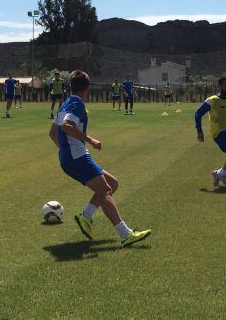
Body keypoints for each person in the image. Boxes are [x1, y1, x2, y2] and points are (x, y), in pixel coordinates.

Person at [48, 70, 151, 247]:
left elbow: (52, 133)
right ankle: (126, 234)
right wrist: (90, 140)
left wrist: (65, 152)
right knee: (105, 190)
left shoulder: (65, 104)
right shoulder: (76, 104)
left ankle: (85, 216)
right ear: (87, 89)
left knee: (113, 184)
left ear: (70, 86)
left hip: (71, 157)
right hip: (77, 157)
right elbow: (67, 126)